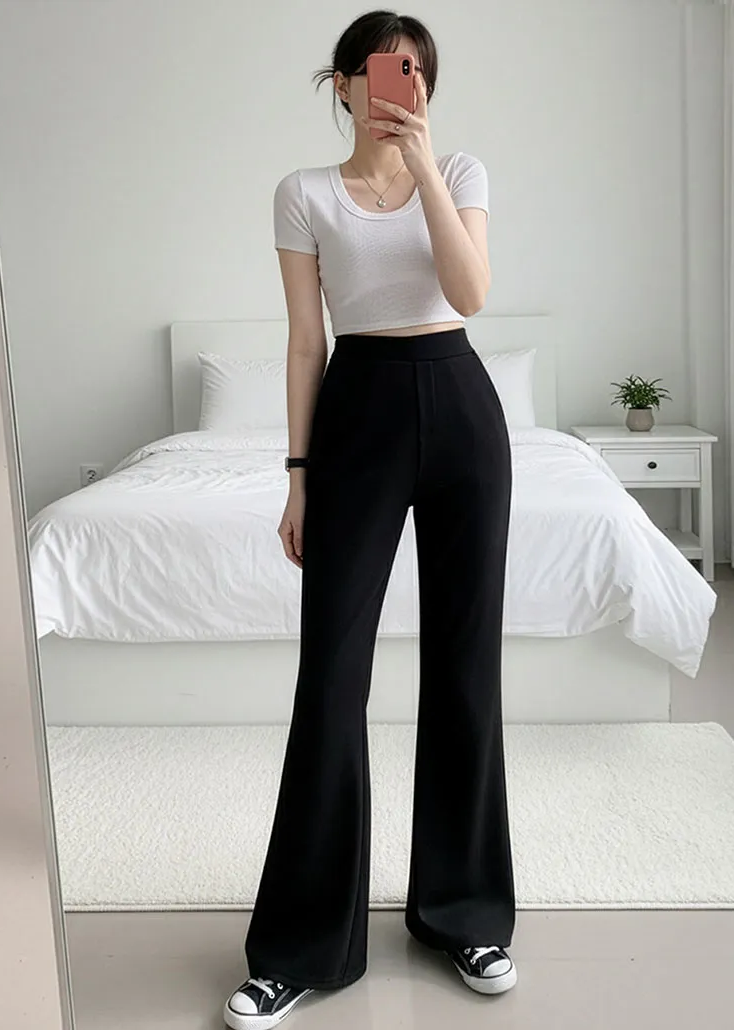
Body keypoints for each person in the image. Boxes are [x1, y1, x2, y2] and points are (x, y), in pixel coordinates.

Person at [223, 11, 516, 1029]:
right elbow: (307, 341)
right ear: (345, 82)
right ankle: (299, 947)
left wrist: (423, 164)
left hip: (462, 409)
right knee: (331, 677)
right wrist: (297, 476)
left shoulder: (461, 170)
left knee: (467, 667)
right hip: (358, 414)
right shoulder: (302, 192)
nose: (403, 88)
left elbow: (471, 293)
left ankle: (465, 914)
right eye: (388, 72)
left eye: (419, 75)